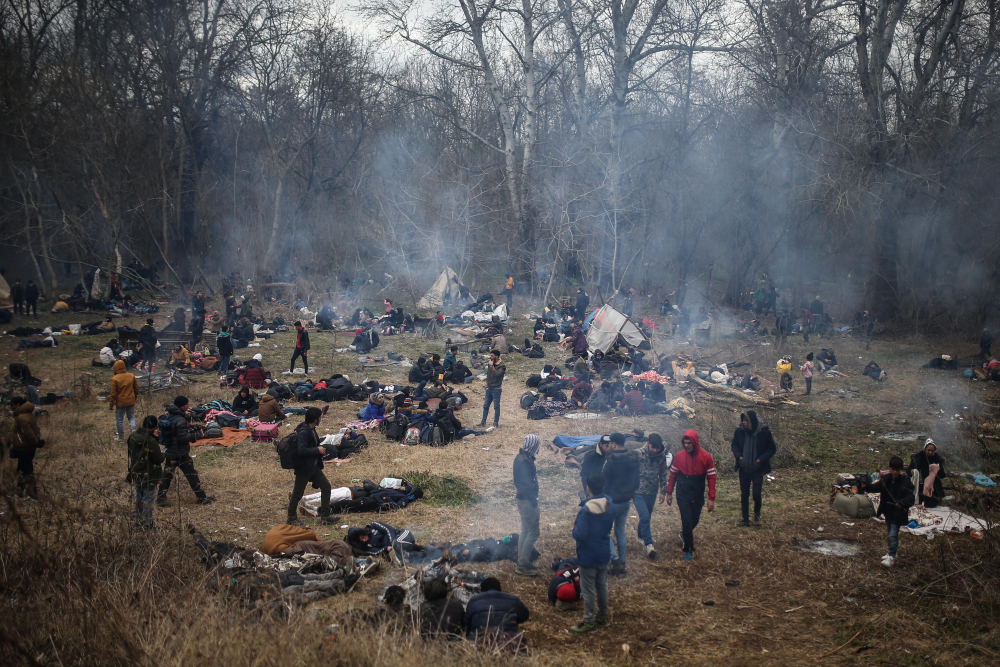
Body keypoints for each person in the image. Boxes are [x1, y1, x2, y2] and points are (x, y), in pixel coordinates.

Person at [570, 474, 615, 633]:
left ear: (588, 488)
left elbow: (580, 534)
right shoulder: (610, 503)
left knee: (588, 590)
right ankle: (603, 617)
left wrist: (574, 529)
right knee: (602, 586)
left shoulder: (586, 510)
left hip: (589, 555)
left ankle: (589, 622)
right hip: (604, 551)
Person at [666, 430, 716, 561]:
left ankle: (684, 535)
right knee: (687, 521)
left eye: (689, 443)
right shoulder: (679, 456)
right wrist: (669, 492)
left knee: (695, 519)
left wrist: (711, 498)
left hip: (697, 493)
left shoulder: (706, 457)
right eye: (685, 443)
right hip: (683, 493)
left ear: (695, 442)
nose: (687, 445)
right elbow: (673, 475)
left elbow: (711, 477)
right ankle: (688, 548)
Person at [156, 396, 215, 506]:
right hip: (180, 452)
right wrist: (192, 435)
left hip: (170, 451)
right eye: (187, 404)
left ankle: (160, 498)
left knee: (167, 476)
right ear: (182, 406)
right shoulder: (180, 419)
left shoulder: (170, 415)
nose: (188, 406)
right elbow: (182, 437)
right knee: (191, 475)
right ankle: (202, 498)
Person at [861, 456, 915, 567]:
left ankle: (892, 556)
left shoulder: (906, 482)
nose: (895, 472)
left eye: (897, 469)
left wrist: (902, 503)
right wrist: (866, 486)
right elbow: (876, 487)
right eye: (893, 469)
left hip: (899, 512)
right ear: (889, 468)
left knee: (893, 534)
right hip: (888, 511)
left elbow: (911, 498)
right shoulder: (886, 479)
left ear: (901, 469)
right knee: (889, 532)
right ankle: (891, 552)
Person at [287, 407, 336, 526]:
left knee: (326, 487)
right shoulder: (304, 431)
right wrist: (317, 450)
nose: (321, 418)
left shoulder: (311, 429)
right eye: (320, 417)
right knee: (297, 493)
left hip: (312, 466)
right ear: (315, 419)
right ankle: (291, 517)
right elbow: (301, 450)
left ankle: (325, 515)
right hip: (304, 467)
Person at [602, 433, 639, 575]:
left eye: (611, 443)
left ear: (614, 444)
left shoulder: (610, 459)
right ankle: (622, 562)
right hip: (626, 501)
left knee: (605, 533)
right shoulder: (633, 457)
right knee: (620, 532)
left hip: (612, 502)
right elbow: (636, 481)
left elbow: (604, 481)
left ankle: (615, 561)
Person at [730, 411, 776, 526]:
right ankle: (745, 519)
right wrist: (739, 456)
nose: (744, 423)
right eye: (743, 421)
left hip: (757, 469)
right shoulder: (740, 432)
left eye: (746, 421)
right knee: (744, 494)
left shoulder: (764, 432)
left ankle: (756, 517)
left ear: (752, 422)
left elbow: (772, 448)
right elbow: (734, 445)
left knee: (756, 494)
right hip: (744, 468)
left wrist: (760, 459)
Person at [464, 577, 530, 649]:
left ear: (481, 591)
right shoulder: (514, 600)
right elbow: (524, 616)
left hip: (481, 642)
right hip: (508, 641)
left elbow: (466, 622)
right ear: (501, 589)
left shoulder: (474, 601)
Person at [632, 433, 670, 559]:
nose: (655, 450)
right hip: (638, 492)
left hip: (652, 492)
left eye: (657, 448)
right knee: (645, 516)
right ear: (648, 444)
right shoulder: (638, 454)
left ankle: (640, 536)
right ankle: (649, 545)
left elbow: (663, 474)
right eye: (653, 447)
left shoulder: (661, 456)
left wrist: (663, 492)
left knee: (646, 516)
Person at [127, 415, 165, 528]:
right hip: (150, 473)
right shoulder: (150, 440)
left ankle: (138, 520)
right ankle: (148, 523)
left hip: (136, 471)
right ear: (154, 427)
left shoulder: (133, 436)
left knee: (139, 498)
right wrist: (163, 454)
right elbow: (158, 459)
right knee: (148, 499)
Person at [513, 434, 541, 577]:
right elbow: (526, 485)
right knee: (534, 532)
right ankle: (523, 564)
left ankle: (521, 560)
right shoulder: (525, 462)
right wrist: (533, 500)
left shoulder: (522, 458)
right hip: (527, 501)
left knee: (525, 529)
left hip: (522, 500)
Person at [9, 396, 43, 499]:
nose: (10, 407)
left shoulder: (21, 417)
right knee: (20, 470)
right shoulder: (27, 414)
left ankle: (32, 495)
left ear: (18, 405)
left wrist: (36, 442)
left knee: (27, 471)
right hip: (23, 447)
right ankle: (20, 491)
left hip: (25, 448)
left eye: (12, 405)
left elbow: (28, 433)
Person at [907, 439, 947, 508]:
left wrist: (938, 470)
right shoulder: (918, 458)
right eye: (928, 450)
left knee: (931, 504)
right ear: (925, 449)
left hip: (933, 487)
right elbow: (908, 471)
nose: (930, 452)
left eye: (932, 451)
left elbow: (942, 475)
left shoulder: (937, 459)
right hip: (920, 486)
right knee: (918, 501)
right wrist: (912, 471)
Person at [108, 359, 139, 441]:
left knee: (119, 420)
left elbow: (113, 394)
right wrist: (134, 398)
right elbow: (136, 389)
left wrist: (111, 404)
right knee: (131, 417)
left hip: (120, 403)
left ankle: (121, 438)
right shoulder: (131, 376)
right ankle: (133, 432)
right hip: (131, 401)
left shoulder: (115, 379)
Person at [478, 350, 505, 428]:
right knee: (486, 406)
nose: (490, 357)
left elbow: (498, 375)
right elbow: (488, 375)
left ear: (497, 356)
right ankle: (483, 422)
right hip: (489, 388)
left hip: (496, 389)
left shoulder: (502, 366)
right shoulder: (490, 364)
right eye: (490, 355)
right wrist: (487, 385)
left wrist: (492, 366)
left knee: (496, 406)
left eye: (492, 356)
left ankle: (495, 423)